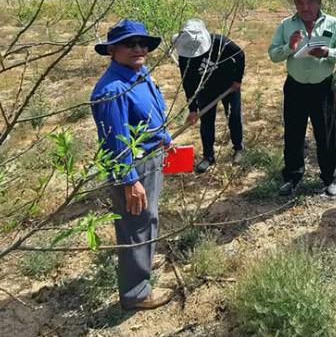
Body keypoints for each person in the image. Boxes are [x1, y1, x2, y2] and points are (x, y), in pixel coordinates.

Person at [91, 19, 174, 311]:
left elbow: (151, 113)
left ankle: (143, 271)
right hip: (134, 166)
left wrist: (164, 136)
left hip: (151, 157)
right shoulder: (112, 89)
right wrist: (129, 180)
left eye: (142, 44)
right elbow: (115, 142)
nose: (138, 49)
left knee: (146, 219)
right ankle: (136, 293)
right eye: (130, 44)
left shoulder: (139, 73)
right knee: (135, 225)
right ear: (112, 50)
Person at [268, 0, 336, 197]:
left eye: (310, 2)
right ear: (295, 4)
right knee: (293, 133)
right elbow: (273, 54)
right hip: (295, 87)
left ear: (319, 2)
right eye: (300, 2)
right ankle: (292, 177)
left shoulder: (332, 24)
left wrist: (327, 53)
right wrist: (289, 47)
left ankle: (329, 178)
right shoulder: (287, 25)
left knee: (326, 133)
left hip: (323, 88)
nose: (305, 7)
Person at [174, 18, 245, 173]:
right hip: (205, 90)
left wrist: (237, 80)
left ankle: (238, 149)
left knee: (233, 116)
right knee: (206, 122)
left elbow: (240, 55)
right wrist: (192, 109)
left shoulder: (221, 43)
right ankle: (208, 157)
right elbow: (188, 83)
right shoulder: (184, 56)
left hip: (229, 86)